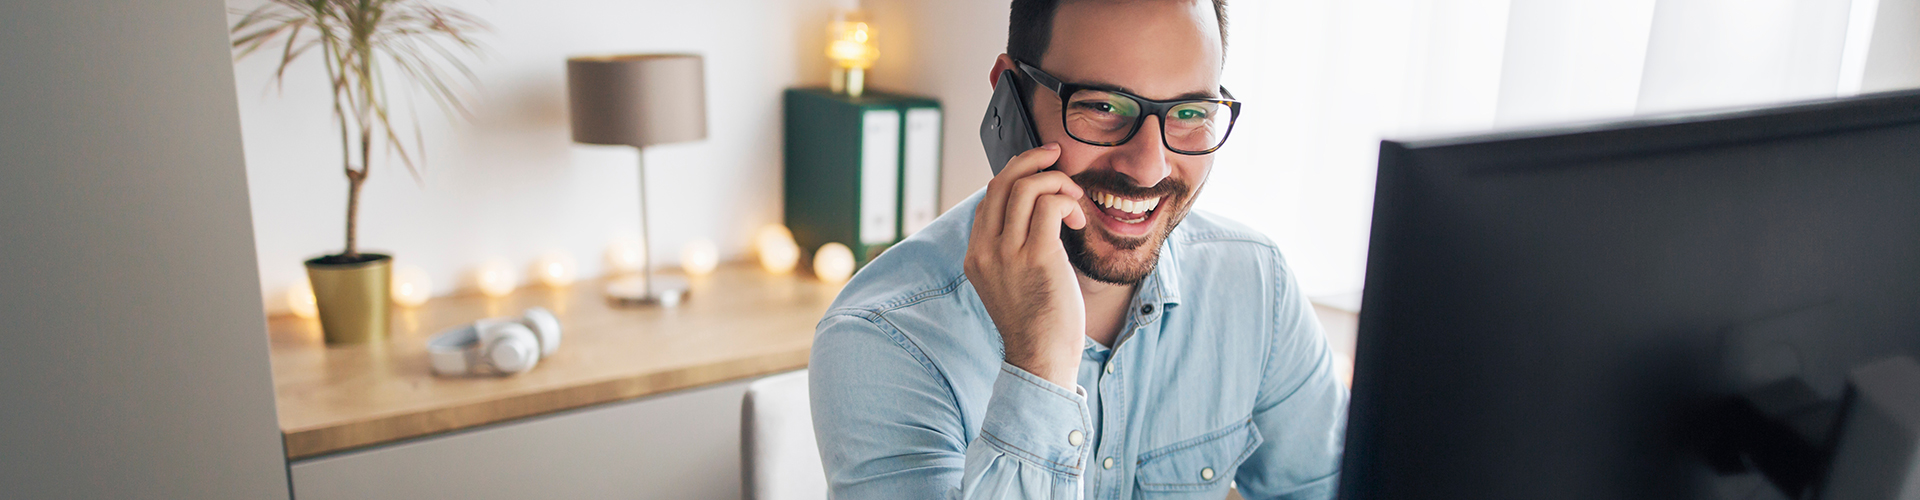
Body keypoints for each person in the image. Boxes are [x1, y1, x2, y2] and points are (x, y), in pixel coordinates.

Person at [808, 0, 1347, 498]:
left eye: (1188, 113)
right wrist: (1038, 365)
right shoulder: (883, 336)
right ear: (1009, 94)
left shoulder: (1256, 284)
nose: (1149, 166)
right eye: (1103, 106)